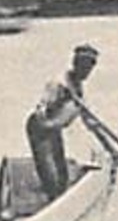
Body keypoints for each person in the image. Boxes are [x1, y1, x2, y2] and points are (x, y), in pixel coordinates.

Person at [25, 44, 100, 201]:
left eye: (89, 69)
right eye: (84, 67)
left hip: (54, 129)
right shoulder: (59, 83)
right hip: (40, 129)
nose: (87, 72)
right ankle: (52, 202)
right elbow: (42, 107)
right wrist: (46, 119)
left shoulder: (78, 87)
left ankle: (61, 196)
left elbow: (90, 121)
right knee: (50, 178)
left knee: (62, 176)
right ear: (76, 64)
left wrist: (108, 148)